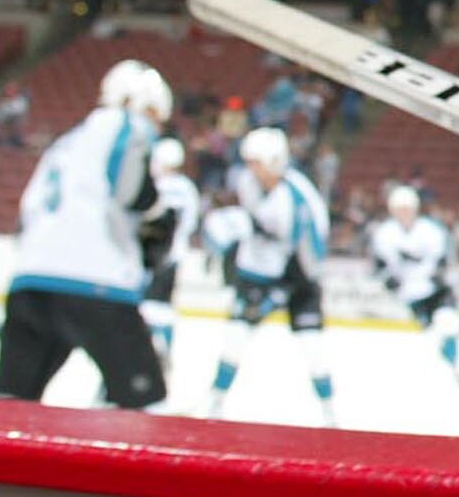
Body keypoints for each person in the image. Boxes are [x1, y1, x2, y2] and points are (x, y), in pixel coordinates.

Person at [0, 60, 171, 407]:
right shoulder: (126, 124)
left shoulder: (66, 142)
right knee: (146, 407)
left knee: (11, 407)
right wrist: (157, 216)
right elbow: (131, 193)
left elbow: (28, 210)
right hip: (96, 282)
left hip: (30, 281)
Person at [205, 126, 335, 422]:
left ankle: (329, 412)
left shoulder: (299, 200)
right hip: (256, 276)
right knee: (235, 338)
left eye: (257, 162)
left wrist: (284, 290)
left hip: (299, 280)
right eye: (249, 162)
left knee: (313, 347)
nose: (252, 169)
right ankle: (215, 402)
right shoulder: (247, 182)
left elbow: (311, 255)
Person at [369, 183, 459, 385]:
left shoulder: (431, 230)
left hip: (436, 290)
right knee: (433, 336)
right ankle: (449, 368)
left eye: (407, 208)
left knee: (449, 323)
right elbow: (379, 266)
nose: (404, 213)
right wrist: (390, 282)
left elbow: (444, 259)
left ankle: (455, 366)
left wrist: (439, 275)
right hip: (412, 295)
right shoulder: (385, 234)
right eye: (400, 209)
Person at [137, 136, 202, 363]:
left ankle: (149, 355)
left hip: (152, 256)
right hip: (174, 255)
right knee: (162, 308)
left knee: (147, 307)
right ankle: (163, 351)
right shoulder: (188, 188)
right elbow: (191, 222)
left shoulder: (159, 186)